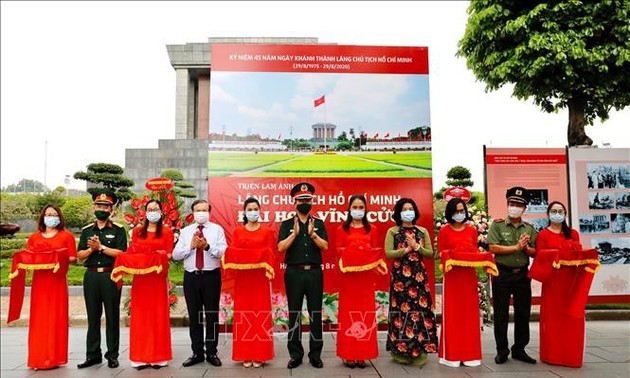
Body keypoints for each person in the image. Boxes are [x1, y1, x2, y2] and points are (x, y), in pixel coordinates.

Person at [6, 205, 77, 370]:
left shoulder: (66, 236)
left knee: (56, 318)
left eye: (54, 214)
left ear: (59, 217)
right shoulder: (34, 237)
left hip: (57, 282)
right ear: (42, 217)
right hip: (40, 284)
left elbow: (73, 258)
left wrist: (58, 256)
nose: (51, 217)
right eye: (48, 214)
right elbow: (28, 257)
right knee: (39, 319)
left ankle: (55, 358)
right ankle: (38, 358)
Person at [111, 200, 173, 369]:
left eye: (156, 209)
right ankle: (139, 356)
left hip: (157, 279)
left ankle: (158, 356)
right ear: (145, 212)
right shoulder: (138, 231)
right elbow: (132, 251)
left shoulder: (167, 232)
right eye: (150, 209)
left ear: (161, 212)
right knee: (140, 316)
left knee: (158, 315)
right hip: (141, 280)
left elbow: (168, 255)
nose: (153, 212)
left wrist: (153, 256)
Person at [532, 201, 594, 367]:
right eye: (554, 211)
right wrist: (557, 255)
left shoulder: (572, 233)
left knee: (572, 317)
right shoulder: (543, 235)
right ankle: (552, 355)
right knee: (553, 319)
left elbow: (579, 255)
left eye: (560, 211)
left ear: (565, 214)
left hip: (571, 282)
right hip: (553, 283)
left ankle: (570, 355)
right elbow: (540, 256)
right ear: (548, 214)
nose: (557, 213)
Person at [277, 182, 328, 369]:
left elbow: (325, 246)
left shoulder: (319, 223)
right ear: (294, 202)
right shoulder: (287, 224)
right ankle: (296, 354)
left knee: (315, 313)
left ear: (312, 201)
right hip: (294, 273)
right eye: (301, 199)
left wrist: (313, 235)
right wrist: (294, 234)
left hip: (314, 273)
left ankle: (315, 354)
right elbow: (280, 247)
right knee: (294, 314)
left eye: (308, 199)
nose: (305, 202)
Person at [437, 198, 491, 367]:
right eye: (456, 211)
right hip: (452, 278)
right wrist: (452, 254)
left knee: (469, 315)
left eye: (462, 211)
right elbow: (441, 254)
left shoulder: (472, 230)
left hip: (468, 278)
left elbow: (474, 252)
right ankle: (450, 355)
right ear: (450, 213)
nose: (459, 214)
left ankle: (470, 354)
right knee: (452, 315)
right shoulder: (444, 231)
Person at [77, 189, 127, 369]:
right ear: (94, 207)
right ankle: (93, 355)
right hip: (91, 276)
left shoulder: (119, 230)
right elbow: (80, 255)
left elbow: (122, 253)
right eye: (99, 205)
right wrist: (92, 249)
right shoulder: (86, 231)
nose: (102, 209)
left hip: (110, 275)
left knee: (112, 316)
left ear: (111, 209)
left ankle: (112, 355)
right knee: (93, 317)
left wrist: (101, 247)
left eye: (106, 206)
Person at [173, 199, 227, 368]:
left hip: (211, 276)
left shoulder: (217, 230)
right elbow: (175, 254)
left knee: (211, 315)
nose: (201, 213)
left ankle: (211, 352)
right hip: (191, 277)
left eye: (204, 210)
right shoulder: (185, 231)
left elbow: (223, 251)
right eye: (198, 210)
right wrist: (190, 247)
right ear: (193, 212)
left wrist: (207, 246)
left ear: (209, 212)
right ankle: (197, 352)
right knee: (194, 316)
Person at [385, 197, 438, 367]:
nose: (408, 212)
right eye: (405, 209)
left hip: (418, 277)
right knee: (401, 314)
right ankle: (400, 352)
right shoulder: (392, 231)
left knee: (420, 311)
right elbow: (388, 253)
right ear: (399, 213)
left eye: (411, 209)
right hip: (400, 278)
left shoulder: (422, 231)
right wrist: (405, 250)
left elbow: (430, 253)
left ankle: (420, 351)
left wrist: (416, 247)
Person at [223, 197, 276, 368]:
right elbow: (233, 253)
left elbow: (271, 254)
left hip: (260, 279)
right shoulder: (237, 231)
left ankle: (260, 354)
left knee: (260, 314)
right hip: (243, 280)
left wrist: (257, 256)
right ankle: (245, 354)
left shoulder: (268, 232)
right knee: (244, 315)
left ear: (260, 211)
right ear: (244, 212)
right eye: (250, 209)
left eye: (255, 209)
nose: (253, 212)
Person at [487, 186, 537, 365]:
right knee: (501, 314)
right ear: (507, 204)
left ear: (525, 208)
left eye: (519, 204)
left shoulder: (530, 228)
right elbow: (492, 247)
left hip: (522, 275)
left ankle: (519, 349)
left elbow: (535, 252)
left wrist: (526, 248)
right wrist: (515, 247)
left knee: (523, 313)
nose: (515, 206)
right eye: (512, 203)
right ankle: (502, 350)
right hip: (502, 274)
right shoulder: (498, 225)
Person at [335, 195, 386, 369]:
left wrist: (363, 251)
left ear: (365, 209)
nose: (358, 210)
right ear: (349, 209)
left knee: (365, 314)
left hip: (365, 279)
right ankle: (349, 354)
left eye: (361, 207)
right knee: (348, 314)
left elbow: (376, 250)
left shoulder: (372, 229)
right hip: (349, 279)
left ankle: (363, 354)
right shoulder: (342, 229)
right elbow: (338, 250)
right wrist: (354, 250)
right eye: (355, 206)